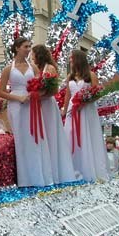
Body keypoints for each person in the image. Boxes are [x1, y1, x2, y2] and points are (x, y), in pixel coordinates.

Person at [0, 37, 53, 187]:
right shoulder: (8, 68)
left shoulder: (33, 67)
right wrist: (18, 98)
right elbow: (0, 92)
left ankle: (39, 177)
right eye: (25, 46)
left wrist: (37, 93)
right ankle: (25, 179)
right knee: (21, 141)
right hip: (16, 105)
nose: (28, 49)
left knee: (35, 139)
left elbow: (41, 85)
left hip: (32, 104)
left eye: (29, 46)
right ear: (17, 48)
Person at [31, 44, 77, 183]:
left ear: (38, 55)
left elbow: (54, 90)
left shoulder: (49, 69)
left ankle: (55, 170)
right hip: (37, 105)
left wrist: (39, 96)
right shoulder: (34, 69)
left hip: (47, 105)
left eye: (33, 54)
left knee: (50, 135)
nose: (31, 56)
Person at [61, 50, 109, 182]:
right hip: (73, 109)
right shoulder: (70, 76)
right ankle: (73, 168)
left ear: (78, 59)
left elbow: (97, 93)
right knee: (70, 135)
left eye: (72, 59)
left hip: (86, 110)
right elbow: (67, 95)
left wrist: (84, 102)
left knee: (87, 135)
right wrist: (65, 111)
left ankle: (91, 170)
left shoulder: (90, 75)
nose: (70, 61)